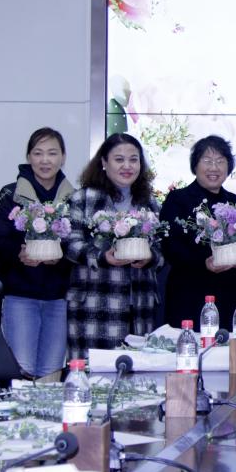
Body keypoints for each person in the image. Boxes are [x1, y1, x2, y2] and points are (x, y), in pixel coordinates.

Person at [64, 133, 163, 359]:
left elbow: (162, 251)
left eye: (133, 159)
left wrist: (150, 258)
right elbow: (70, 244)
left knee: (136, 372)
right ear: (104, 162)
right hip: (94, 305)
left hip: (139, 307)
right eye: (119, 159)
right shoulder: (82, 198)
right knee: (93, 372)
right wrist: (101, 257)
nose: (127, 166)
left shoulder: (150, 203)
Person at [0, 127, 75, 377]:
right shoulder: (10, 194)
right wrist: (19, 253)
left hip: (58, 298)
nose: (45, 160)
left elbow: (77, 244)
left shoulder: (72, 198)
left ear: (63, 157)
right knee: (22, 369)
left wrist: (60, 258)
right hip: (20, 296)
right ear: (28, 157)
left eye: (52, 153)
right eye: (38, 153)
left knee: (51, 372)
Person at [160, 135, 236, 328]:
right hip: (189, 296)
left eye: (220, 161)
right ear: (195, 165)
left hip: (230, 297)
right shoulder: (178, 199)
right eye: (207, 161)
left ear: (228, 166)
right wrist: (203, 263)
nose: (214, 168)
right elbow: (171, 248)